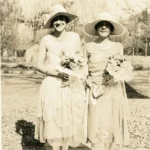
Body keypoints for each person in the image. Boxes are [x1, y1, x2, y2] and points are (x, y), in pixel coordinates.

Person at [35, 4, 87, 150]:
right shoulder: (46, 40)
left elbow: (81, 61)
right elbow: (38, 65)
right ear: (52, 22)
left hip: (70, 84)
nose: (58, 22)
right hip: (52, 84)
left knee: (70, 121)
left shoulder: (75, 37)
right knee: (53, 121)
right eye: (55, 20)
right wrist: (56, 72)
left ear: (66, 20)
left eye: (61, 19)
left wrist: (73, 65)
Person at [84, 12, 131, 150]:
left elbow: (121, 68)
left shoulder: (118, 47)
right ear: (96, 28)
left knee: (110, 122)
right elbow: (83, 69)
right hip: (94, 89)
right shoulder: (88, 46)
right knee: (95, 122)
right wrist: (86, 79)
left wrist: (116, 75)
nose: (103, 27)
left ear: (111, 29)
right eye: (101, 25)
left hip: (112, 89)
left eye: (107, 25)